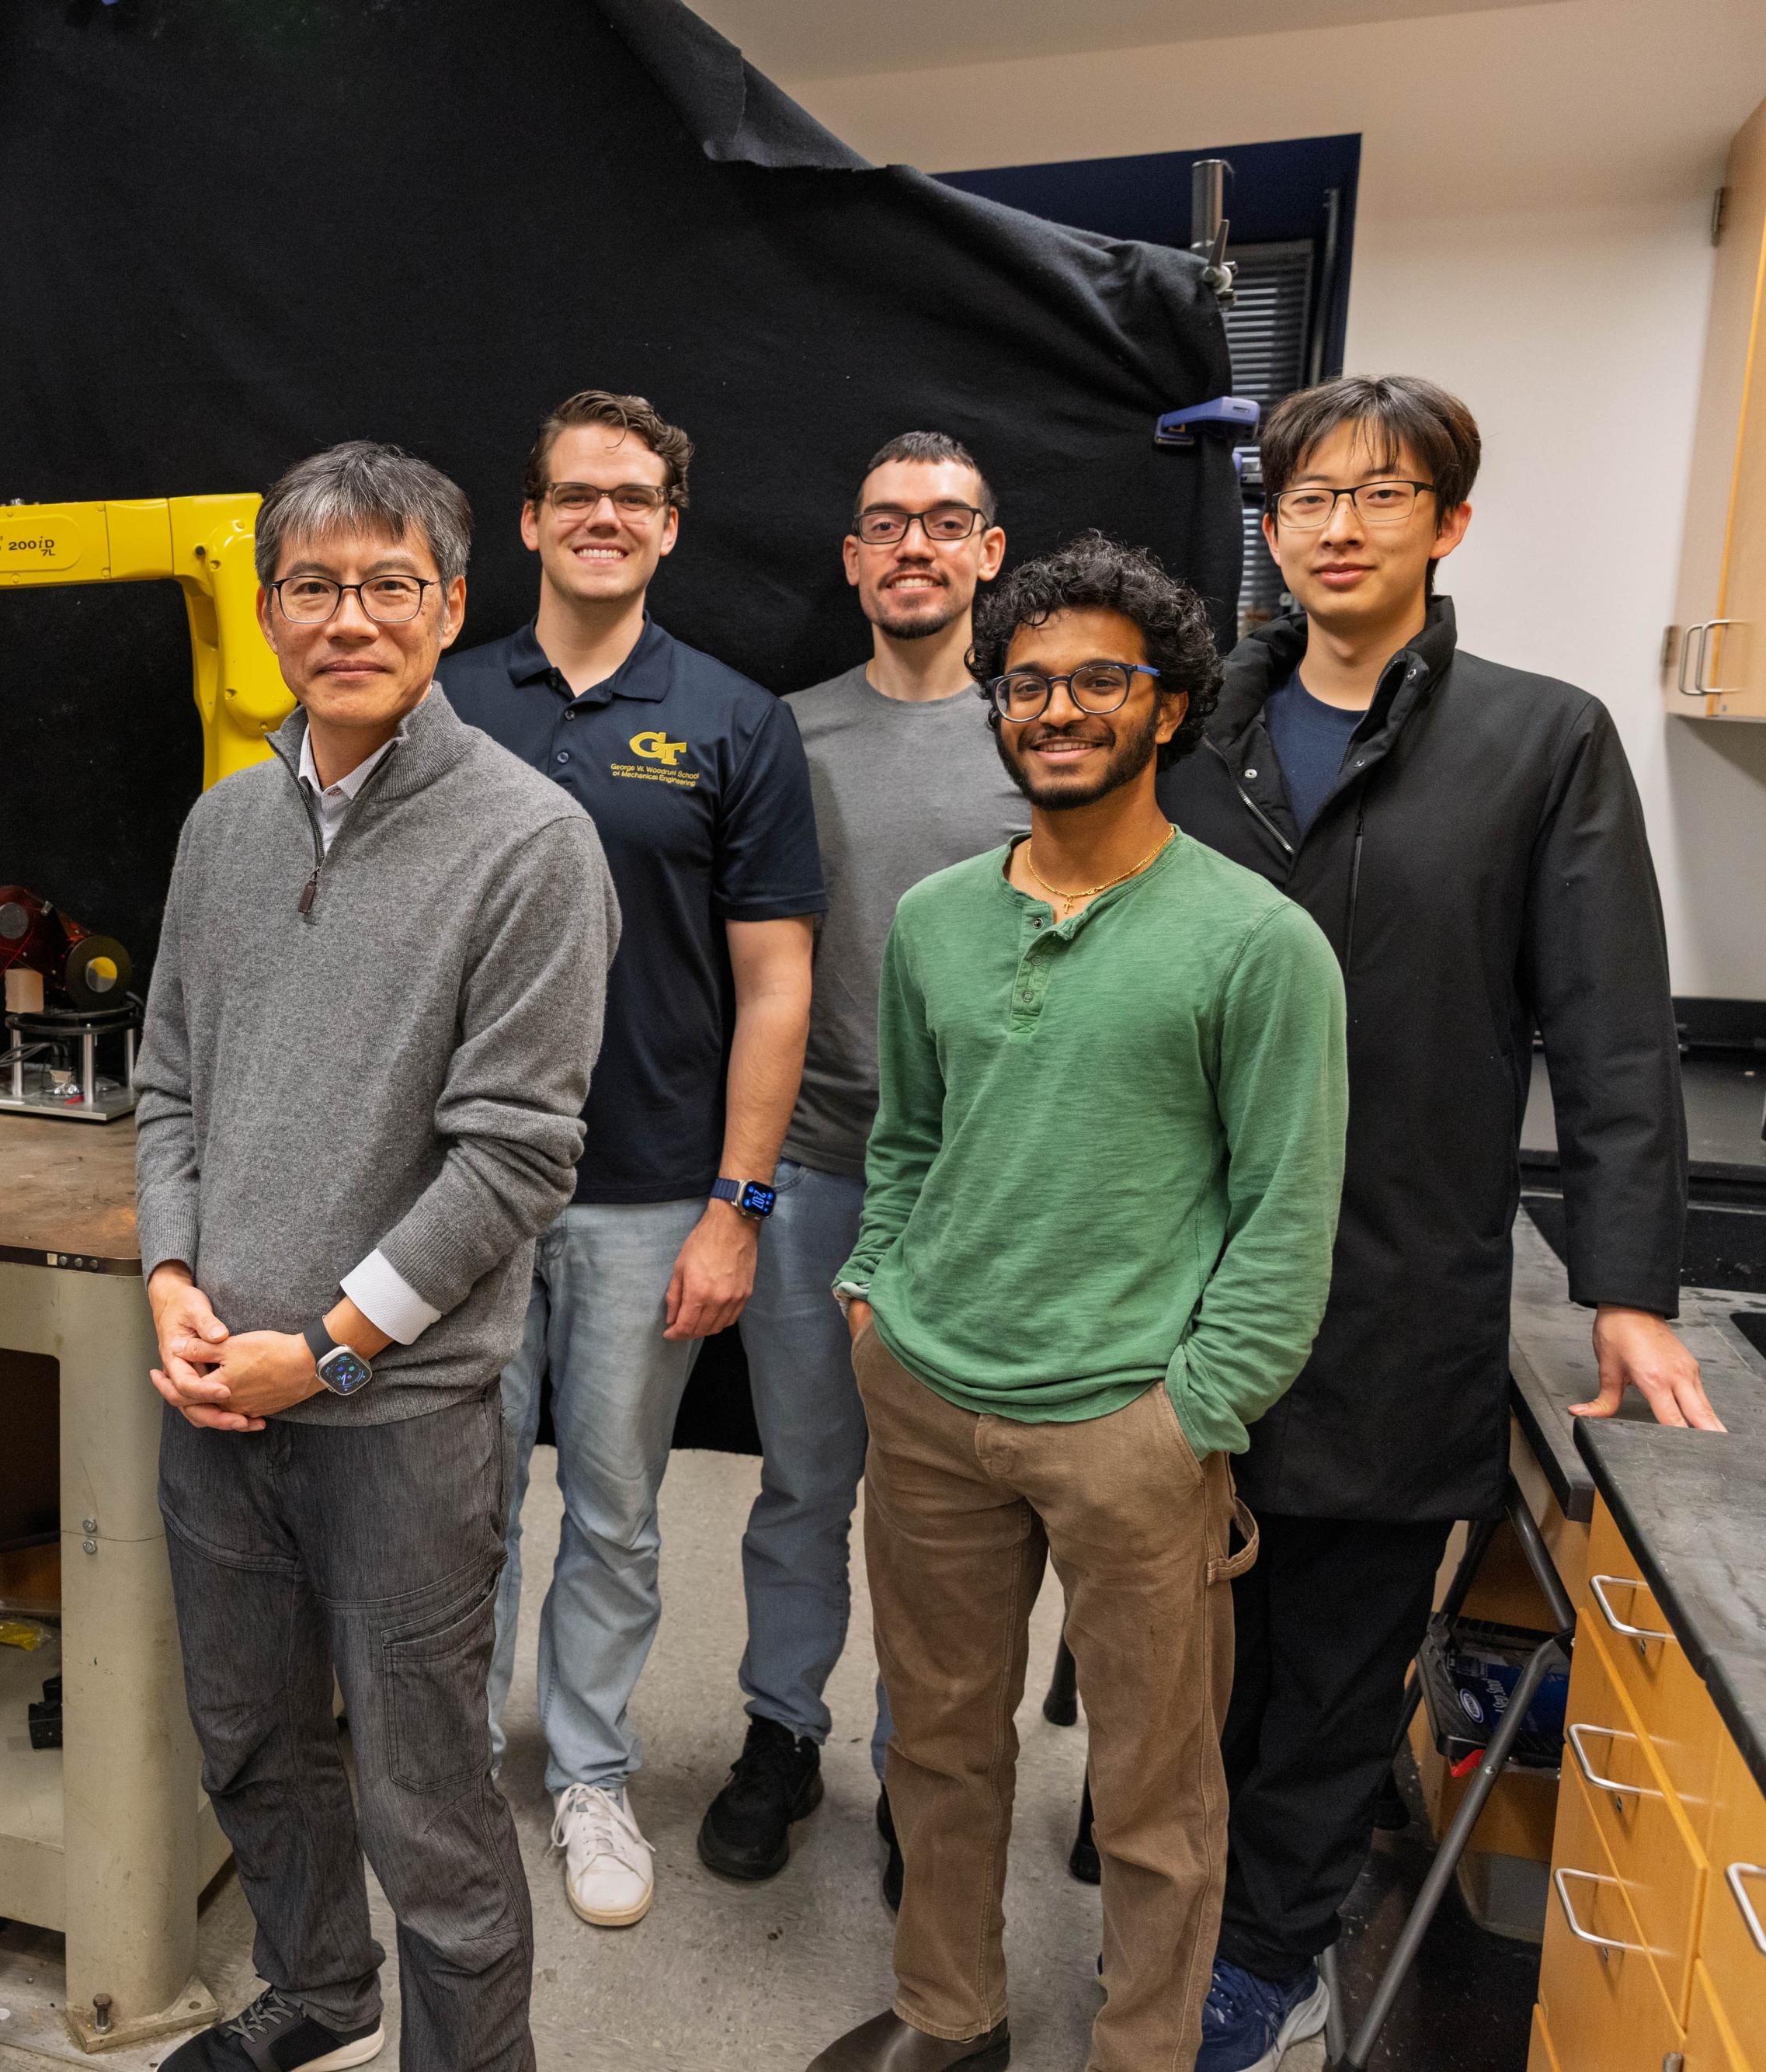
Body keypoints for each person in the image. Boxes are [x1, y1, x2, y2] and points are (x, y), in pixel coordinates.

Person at [1156, 374, 1715, 2072]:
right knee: (1184, 1660)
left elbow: (1607, 1025)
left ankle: (1264, 1969)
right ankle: (1191, 1914)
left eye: (1378, 493)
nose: (1335, 523)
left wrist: (1624, 1286)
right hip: (1172, 1288)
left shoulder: (1537, 741)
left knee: (1330, 1677)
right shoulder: (1186, 734)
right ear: (1268, 525)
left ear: (1445, 523)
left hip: (1392, 1290)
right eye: (1305, 494)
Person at [812, 534, 1347, 2072]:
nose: (1052, 707)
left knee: (1152, 1795)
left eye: (1094, 679)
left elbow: (1283, 1210)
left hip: (1127, 1426)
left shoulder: (1254, 944)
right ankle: (946, 2010)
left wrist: (1190, 1413)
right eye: (1024, 682)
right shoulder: (931, 919)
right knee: (937, 1742)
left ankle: (1139, 2051)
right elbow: (901, 1136)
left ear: (1166, 707)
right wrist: (870, 1293)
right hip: (923, 1396)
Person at [137, 440, 616, 2072]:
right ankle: (316, 1988)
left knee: (428, 1802)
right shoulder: (221, 829)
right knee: (251, 1744)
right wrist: (169, 1279)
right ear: (266, 611)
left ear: (449, 606)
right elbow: (167, 1084)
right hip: (214, 1400)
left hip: (398, 1421)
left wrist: (332, 1342)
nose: (349, 617)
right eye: (315, 585)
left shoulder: (529, 842)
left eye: (387, 584)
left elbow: (515, 1155)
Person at [442, 390, 823, 1929]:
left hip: (649, 1186)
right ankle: (451, 1762)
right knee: (456, 1500)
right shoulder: (442, 702)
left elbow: (776, 984)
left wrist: (735, 1205)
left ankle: (587, 1767)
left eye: (633, 496)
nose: (602, 515)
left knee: (611, 1504)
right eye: (573, 493)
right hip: (459, 1182)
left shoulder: (736, 719)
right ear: (527, 521)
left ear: (667, 526)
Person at [696, 431, 1024, 1901]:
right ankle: (782, 1733)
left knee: (945, 1513)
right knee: (804, 1481)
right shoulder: (784, 733)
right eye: (886, 522)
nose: (915, 547)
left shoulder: (1041, 730)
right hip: (820, 1165)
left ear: (989, 554)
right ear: (849, 557)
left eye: (946, 524)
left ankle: (920, 1770)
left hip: (987, 1191)